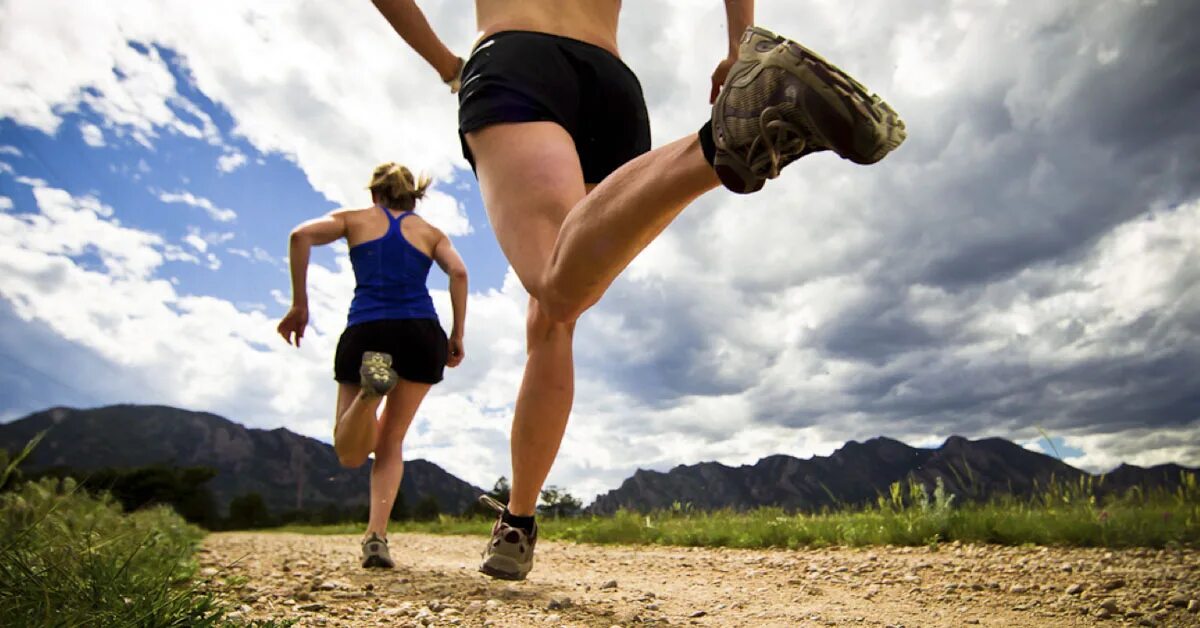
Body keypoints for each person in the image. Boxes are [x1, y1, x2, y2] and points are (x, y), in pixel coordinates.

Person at [371, 0, 906, 580]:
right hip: (612, 83)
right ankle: (518, 521)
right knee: (553, 317)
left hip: (514, 58)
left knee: (556, 288)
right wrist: (738, 43)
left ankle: (715, 147)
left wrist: (449, 66)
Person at [276, 162, 468, 569]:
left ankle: (367, 396)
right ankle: (376, 537)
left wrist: (299, 304)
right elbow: (460, 272)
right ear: (413, 195)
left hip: (368, 329)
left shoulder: (353, 219)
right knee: (391, 442)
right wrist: (457, 334)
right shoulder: (431, 233)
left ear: (375, 193)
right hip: (421, 332)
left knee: (350, 454)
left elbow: (300, 235)